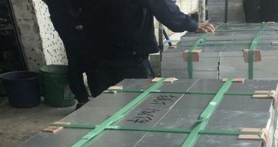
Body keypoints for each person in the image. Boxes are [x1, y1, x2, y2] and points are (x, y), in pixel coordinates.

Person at [80, 0, 215, 91]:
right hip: (128, 52)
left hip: (98, 51)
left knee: (105, 103)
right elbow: (163, 7)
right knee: (132, 104)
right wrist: (191, 24)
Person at [41, 0, 103, 109]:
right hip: (72, 20)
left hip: (65, 19)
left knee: (78, 62)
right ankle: (92, 98)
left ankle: (85, 99)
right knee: (87, 64)